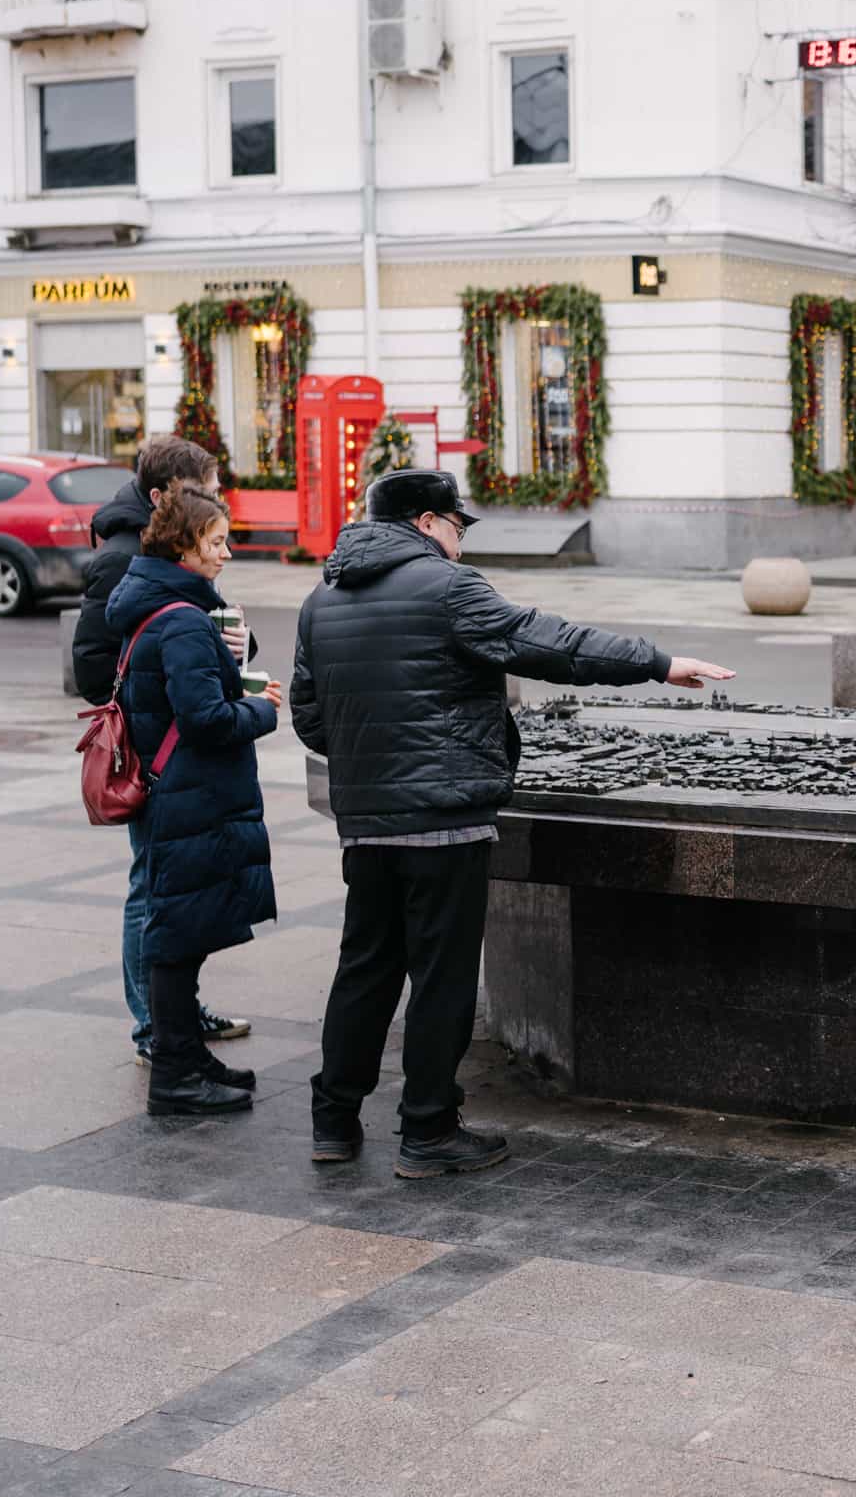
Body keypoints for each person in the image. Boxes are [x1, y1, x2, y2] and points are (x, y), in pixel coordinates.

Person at [291, 470, 736, 1177]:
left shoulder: (322, 599)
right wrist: (655, 662)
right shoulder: (445, 588)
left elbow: (311, 720)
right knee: (441, 979)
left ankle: (333, 1122)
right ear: (428, 522)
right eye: (458, 528)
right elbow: (551, 643)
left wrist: (375, 761)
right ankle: (427, 1131)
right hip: (444, 824)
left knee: (364, 971)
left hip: (366, 824)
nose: (461, 543)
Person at [74, 436, 253, 1065]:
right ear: (165, 502)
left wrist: (224, 652)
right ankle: (156, 1024)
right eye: (204, 489)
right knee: (152, 891)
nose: (217, 500)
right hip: (158, 759)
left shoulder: (171, 562)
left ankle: (176, 1014)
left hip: (179, 754)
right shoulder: (124, 563)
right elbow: (98, 667)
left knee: (172, 892)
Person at [104, 489, 283, 1117]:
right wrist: (262, 709)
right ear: (184, 547)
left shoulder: (162, 606)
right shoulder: (180, 618)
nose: (226, 553)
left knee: (185, 926)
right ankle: (175, 1070)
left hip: (175, 791)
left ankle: (186, 1056)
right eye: (216, 542)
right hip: (185, 794)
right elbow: (205, 719)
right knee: (177, 934)